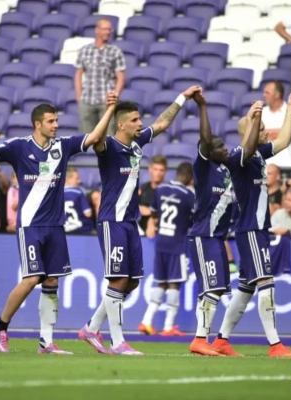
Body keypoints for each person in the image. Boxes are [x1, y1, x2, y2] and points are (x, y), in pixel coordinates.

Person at [0, 92, 118, 354]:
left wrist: (110, 109)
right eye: (51, 121)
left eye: (56, 121)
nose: (56, 125)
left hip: (55, 227)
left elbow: (93, 137)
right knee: (31, 278)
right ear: (38, 124)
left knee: (52, 281)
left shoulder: (62, 145)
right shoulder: (19, 146)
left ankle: (46, 342)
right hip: (30, 226)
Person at [78, 85, 201, 356]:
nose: (140, 123)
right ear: (121, 124)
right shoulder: (108, 146)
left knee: (131, 281)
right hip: (111, 220)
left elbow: (162, 123)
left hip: (130, 223)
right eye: (134, 120)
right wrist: (110, 109)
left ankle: (91, 327)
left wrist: (183, 97)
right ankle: (117, 342)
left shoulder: (136, 143)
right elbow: (96, 139)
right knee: (118, 279)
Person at [214, 92, 291, 358]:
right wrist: (256, 117)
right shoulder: (239, 157)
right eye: (261, 128)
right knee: (266, 282)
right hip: (250, 229)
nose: (266, 132)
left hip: (257, 229)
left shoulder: (258, 156)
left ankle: (221, 340)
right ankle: (275, 345)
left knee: (246, 287)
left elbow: (284, 140)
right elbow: (250, 146)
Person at [187, 94, 258, 356]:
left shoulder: (228, 169)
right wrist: (203, 106)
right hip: (203, 236)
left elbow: (247, 149)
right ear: (209, 151)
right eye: (219, 147)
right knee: (212, 288)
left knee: (214, 289)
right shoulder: (204, 167)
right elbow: (206, 140)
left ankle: (210, 340)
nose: (224, 149)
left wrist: (252, 120)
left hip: (218, 239)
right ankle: (199, 339)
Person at [139, 162, 194, 337]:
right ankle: (168, 326)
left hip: (161, 242)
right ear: (188, 176)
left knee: (161, 282)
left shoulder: (161, 190)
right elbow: (194, 220)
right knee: (174, 284)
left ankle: (146, 321)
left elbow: (153, 213)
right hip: (177, 244)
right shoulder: (188, 195)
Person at [75, 17, 126, 136]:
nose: (107, 32)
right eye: (104, 29)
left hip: (106, 102)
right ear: (97, 30)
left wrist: (114, 97)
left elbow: (121, 77)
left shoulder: (115, 52)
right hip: (87, 101)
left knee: (108, 138)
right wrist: (79, 96)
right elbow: (78, 73)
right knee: (85, 138)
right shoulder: (84, 50)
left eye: (109, 29)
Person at [64, 167, 94, 234]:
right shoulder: (79, 192)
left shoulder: (56, 194)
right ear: (67, 179)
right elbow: (88, 213)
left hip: (63, 231)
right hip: (83, 230)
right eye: (77, 178)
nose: (79, 181)